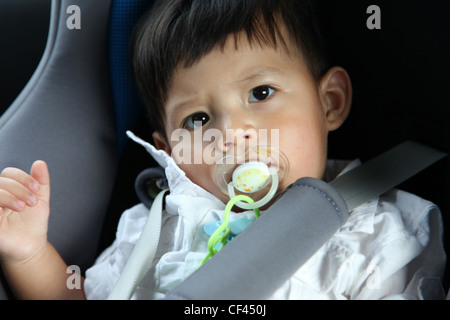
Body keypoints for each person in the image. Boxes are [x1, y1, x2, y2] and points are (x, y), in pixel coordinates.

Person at [0, 0, 446, 300]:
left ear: (328, 102)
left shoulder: (383, 232)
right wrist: (29, 254)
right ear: (169, 150)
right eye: (198, 120)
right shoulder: (154, 229)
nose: (232, 134)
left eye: (261, 92)